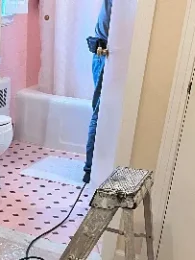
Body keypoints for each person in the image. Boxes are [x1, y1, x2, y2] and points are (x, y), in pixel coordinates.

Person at [83, 0, 113, 184]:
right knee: (100, 113)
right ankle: (90, 169)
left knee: (101, 111)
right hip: (105, 54)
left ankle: (93, 168)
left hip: (103, 53)